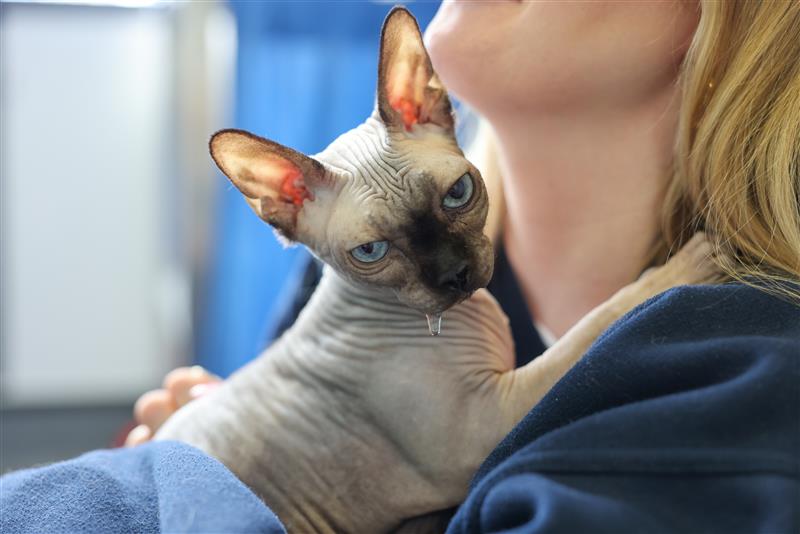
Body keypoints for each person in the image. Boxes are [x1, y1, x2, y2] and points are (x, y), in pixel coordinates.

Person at [3, 2, 799, 533]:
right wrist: (185, 466)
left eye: (456, 197)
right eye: (374, 251)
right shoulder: (341, 274)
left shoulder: (749, 370)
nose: (437, 267)